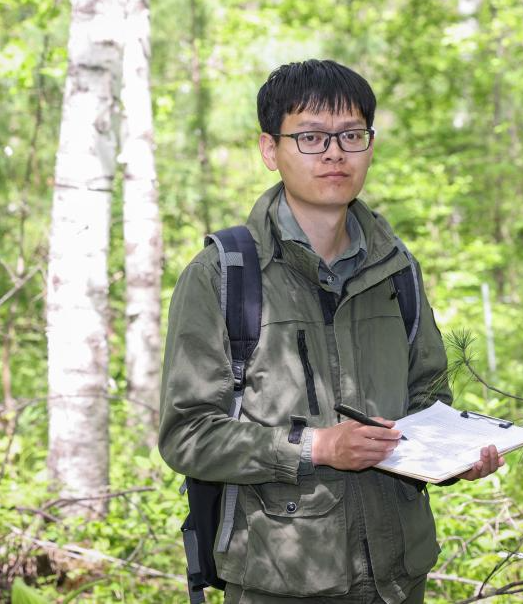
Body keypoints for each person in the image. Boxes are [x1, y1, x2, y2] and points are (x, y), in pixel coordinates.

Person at [159, 59, 504, 603]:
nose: (335, 153)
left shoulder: (396, 268)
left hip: (398, 576)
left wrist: (451, 458)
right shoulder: (224, 275)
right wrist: (316, 447)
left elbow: (428, 397)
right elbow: (188, 435)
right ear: (270, 149)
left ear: (370, 145)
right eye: (311, 137)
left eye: (351, 135)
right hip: (281, 577)